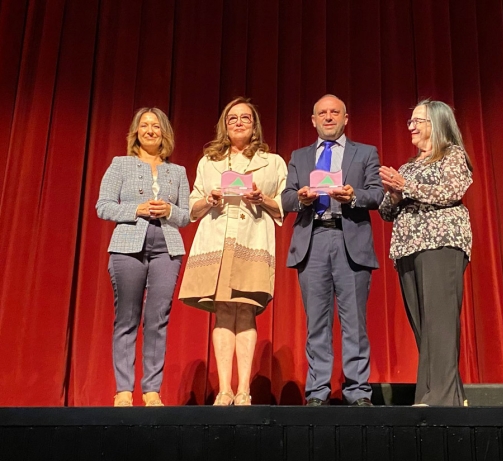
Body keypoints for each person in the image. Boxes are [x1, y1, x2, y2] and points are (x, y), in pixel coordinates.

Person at [179, 97, 287, 406]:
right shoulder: (209, 161)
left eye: (245, 118)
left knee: (245, 309)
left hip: (251, 239)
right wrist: (209, 200)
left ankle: (244, 390)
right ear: (224, 126)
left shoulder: (273, 161)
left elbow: (283, 203)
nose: (238, 123)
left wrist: (260, 197)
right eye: (232, 119)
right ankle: (225, 389)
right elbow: (192, 206)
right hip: (217, 238)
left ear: (255, 126)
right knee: (224, 311)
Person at [282, 94, 384, 406]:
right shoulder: (299, 156)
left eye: (334, 112)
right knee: (317, 324)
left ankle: (357, 392)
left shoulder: (365, 153)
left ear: (345, 118)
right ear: (313, 120)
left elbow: (377, 194)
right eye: (322, 113)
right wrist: (302, 198)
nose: (329, 117)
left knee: (354, 322)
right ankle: (317, 393)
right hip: (312, 243)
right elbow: (285, 199)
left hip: (348, 240)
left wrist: (353, 196)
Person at [378, 99, 473, 406]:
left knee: (440, 322)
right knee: (424, 324)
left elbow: (450, 193)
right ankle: (435, 395)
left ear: (437, 123)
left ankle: (442, 399)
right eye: (411, 121)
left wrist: (406, 186)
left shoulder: (452, 156)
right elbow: (385, 211)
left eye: (417, 121)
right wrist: (393, 193)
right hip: (408, 249)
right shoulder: (408, 166)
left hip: (440, 243)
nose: (411, 127)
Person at [96, 107, 190, 407]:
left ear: (164, 132)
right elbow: (103, 206)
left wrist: (170, 211)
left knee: (157, 319)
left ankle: (152, 391)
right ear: (136, 131)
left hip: (167, 249)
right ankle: (124, 389)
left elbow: (186, 216)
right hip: (127, 247)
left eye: (156, 126)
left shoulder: (178, 172)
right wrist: (135, 209)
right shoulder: (120, 165)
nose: (150, 130)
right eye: (144, 125)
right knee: (127, 317)